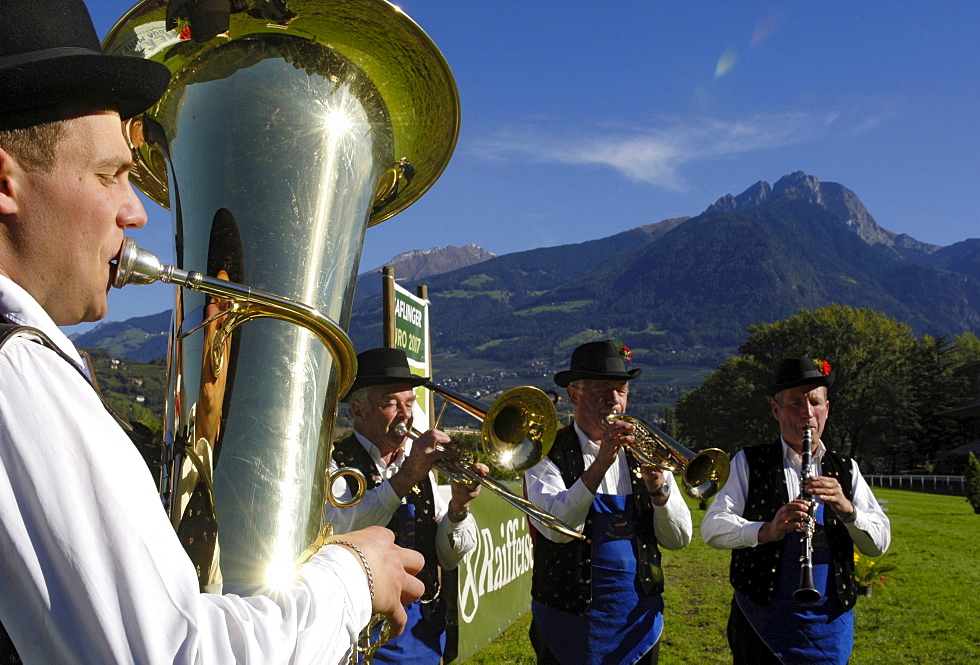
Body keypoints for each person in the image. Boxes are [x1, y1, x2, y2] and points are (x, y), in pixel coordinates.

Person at [0, 1, 422, 662]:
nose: (134, 209)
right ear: (6, 181)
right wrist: (351, 578)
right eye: (110, 174)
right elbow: (177, 655)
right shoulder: (15, 376)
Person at [701, 357, 891, 665]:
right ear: (776, 411)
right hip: (760, 623)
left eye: (815, 403)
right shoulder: (749, 462)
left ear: (827, 408)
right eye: (795, 404)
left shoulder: (847, 469)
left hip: (828, 627)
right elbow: (712, 529)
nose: (807, 415)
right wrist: (766, 530)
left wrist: (848, 510)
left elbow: (878, 543)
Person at [523, 340, 693, 664]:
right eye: (602, 390)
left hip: (638, 626)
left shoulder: (646, 453)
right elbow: (557, 529)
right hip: (568, 625)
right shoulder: (545, 453)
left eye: (621, 390)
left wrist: (659, 489)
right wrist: (600, 463)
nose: (614, 400)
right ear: (574, 395)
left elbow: (680, 539)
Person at [327, 347, 487, 664]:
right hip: (362, 630)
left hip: (424, 627)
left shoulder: (418, 466)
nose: (406, 415)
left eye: (410, 403)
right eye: (391, 404)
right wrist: (408, 473)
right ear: (358, 411)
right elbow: (342, 530)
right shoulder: (335, 462)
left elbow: (447, 557)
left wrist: (458, 508)